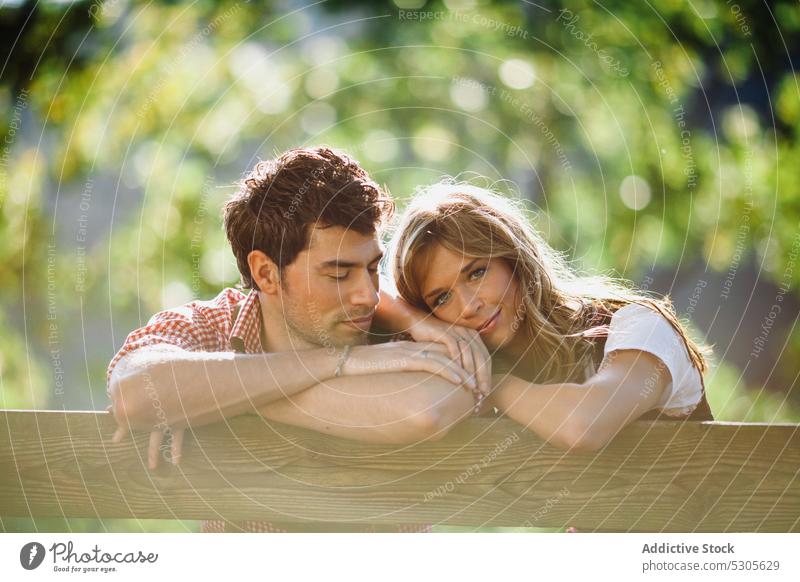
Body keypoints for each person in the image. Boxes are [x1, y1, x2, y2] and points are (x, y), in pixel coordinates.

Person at [106, 147, 488, 532]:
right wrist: (339, 363)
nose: (367, 295)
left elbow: (425, 412)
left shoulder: (406, 331)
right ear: (266, 273)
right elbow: (133, 394)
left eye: (373, 268)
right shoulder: (215, 327)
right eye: (338, 275)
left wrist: (219, 399)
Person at [382, 180, 714, 453]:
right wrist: (409, 320)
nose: (468, 306)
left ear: (514, 258)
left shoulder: (637, 326)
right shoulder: (492, 368)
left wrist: (492, 383)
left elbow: (584, 424)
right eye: (442, 298)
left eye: (476, 272)